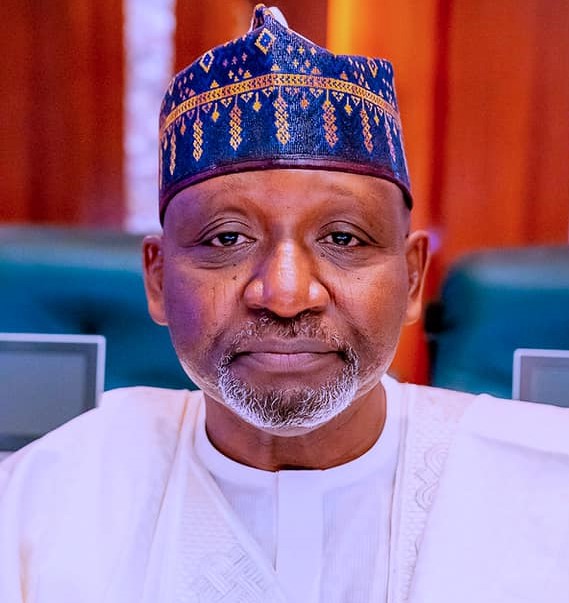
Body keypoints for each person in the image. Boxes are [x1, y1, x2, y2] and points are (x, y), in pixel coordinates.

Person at [1, 5, 568, 603]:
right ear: (159, 278)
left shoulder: (545, 491)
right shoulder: (41, 505)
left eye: (343, 238)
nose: (286, 295)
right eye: (228, 239)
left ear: (411, 277)